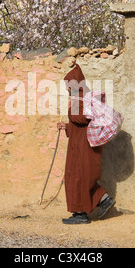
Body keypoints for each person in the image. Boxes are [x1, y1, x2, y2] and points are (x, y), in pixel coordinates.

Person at [57, 64, 115, 224]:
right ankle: (104, 200)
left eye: (69, 86)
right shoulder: (85, 98)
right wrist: (67, 126)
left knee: (78, 178)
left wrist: (71, 110)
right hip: (83, 145)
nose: (67, 89)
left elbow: (82, 119)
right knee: (82, 178)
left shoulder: (80, 99)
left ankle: (80, 214)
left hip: (83, 148)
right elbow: (82, 124)